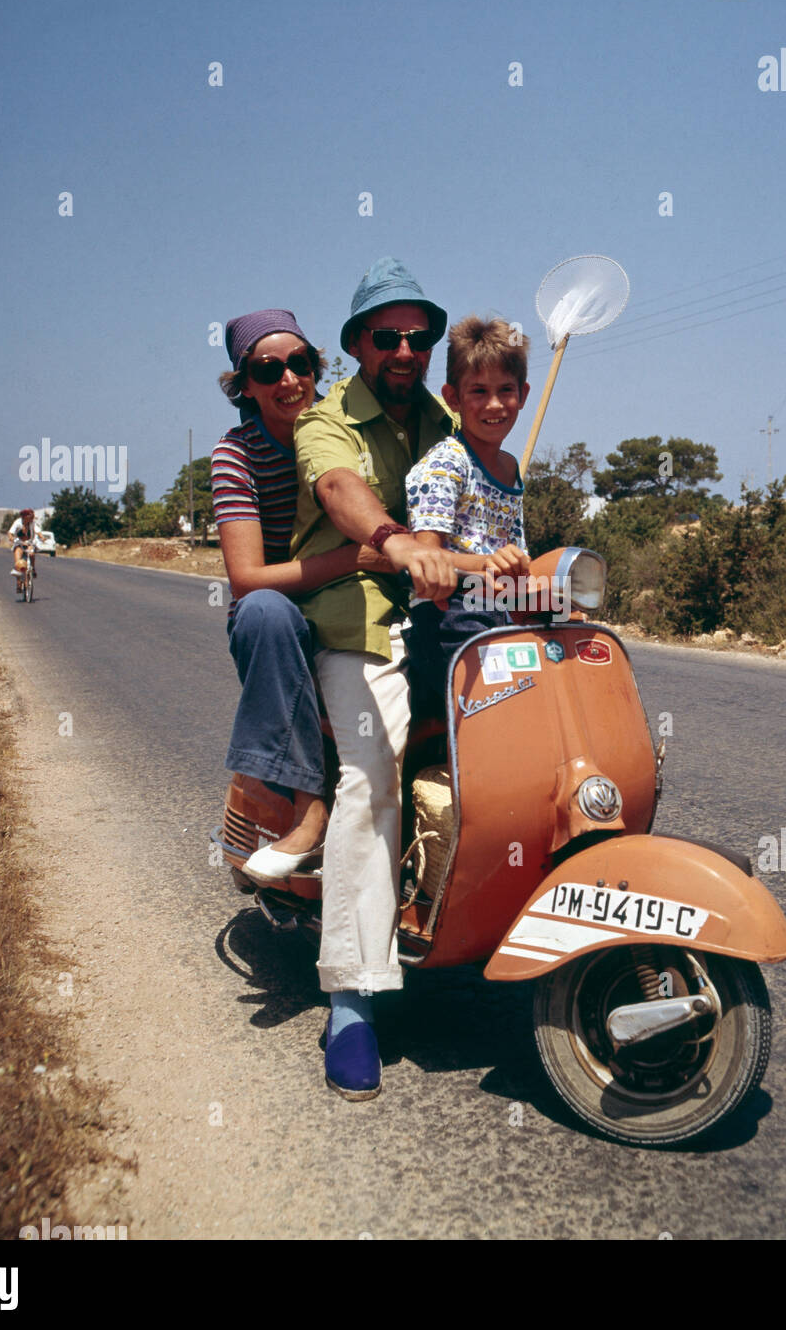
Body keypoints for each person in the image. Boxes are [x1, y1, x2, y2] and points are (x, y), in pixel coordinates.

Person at [290, 258, 458, 1100]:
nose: (405, 349)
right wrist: (396, 541)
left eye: (419, 336)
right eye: (387, 336)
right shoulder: (328, 418)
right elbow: (337, 485)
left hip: (444, 609)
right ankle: (351, 995)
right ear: (357, 344)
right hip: (356, 613)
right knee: (376, 769)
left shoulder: (443, 418)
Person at [210, 310, 394, 879]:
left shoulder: (345, 429)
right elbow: (246, 579)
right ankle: (306, 806)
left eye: (299, 364)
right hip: (285, 608)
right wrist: (351, 558)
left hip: (364, 594)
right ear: (244, 386)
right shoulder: (235, 456)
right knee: (266, 613)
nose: (288, 380)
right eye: (268, 370)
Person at [403, 316, 533, 712]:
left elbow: (517, 559)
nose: (494, 404)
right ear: (453, 398)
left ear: (523, 394)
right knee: (506, 690)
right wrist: (486, 564)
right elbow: (425, 560)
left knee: (571, 637)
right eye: (478, 391)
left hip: (500, 606)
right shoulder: (446, 463)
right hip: (450, 613)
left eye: (505, 390)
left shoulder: (510, 467)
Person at [8, 508, 43, 580]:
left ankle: (33, 569)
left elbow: (38, 531)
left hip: (29, 544)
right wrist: (11, 538)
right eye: (30, 516)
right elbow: (10, 532)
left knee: (31, 554)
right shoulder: (18, 522)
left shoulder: (33, 523)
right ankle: (19, 583)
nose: (32, 518)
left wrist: (42, 537)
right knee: (19, 564)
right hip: (19, 544)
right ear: (24, 516)